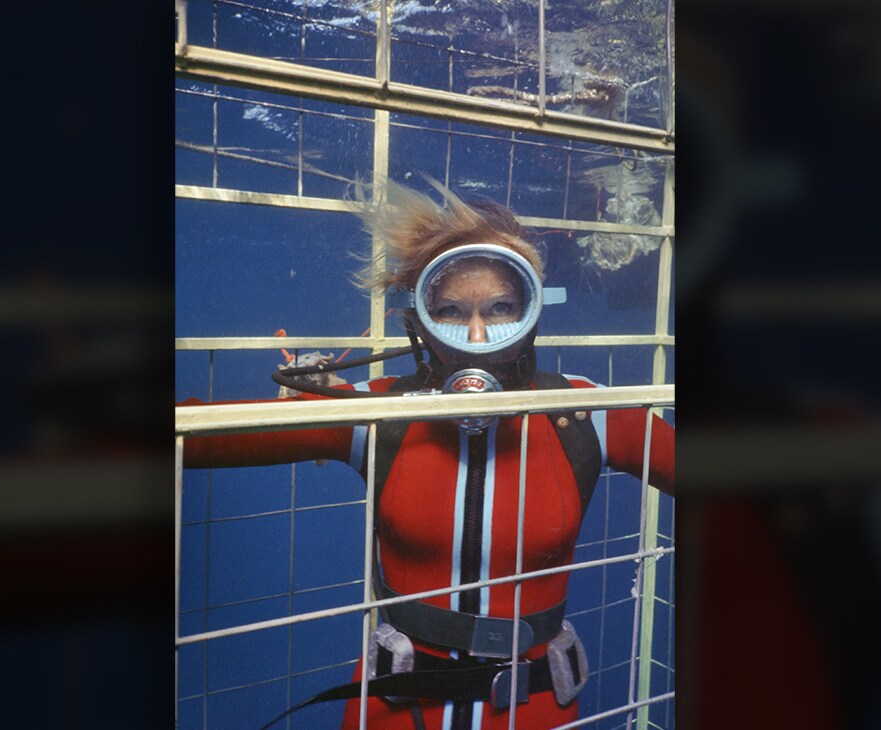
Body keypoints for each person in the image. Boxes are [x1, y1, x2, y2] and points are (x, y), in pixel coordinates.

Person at [178, 179, 675, 730]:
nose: (477, 334)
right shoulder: (374, 412)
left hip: (537, 708)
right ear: (419, 317)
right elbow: (203, 433)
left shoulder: (586, 415)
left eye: (502, 307)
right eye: (452, 311)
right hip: (392, 706)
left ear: (533, 310)